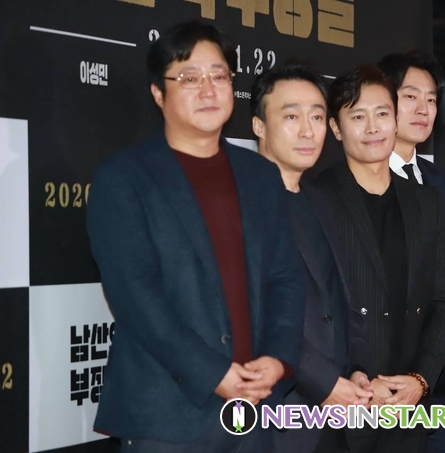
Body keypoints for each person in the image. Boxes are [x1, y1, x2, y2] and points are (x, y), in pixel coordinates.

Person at [86, 21, 304, 453]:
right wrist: (211, 373)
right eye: (189, 78)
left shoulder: (261, 176)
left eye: (219, 76)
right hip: (167, 417)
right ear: (158, 93)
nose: (208, 90)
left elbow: (286, 276)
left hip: (255, 411)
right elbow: (134, 294)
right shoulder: (124, 178)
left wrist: (278, 360)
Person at [314, 63, 445, 453]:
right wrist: (353, 379)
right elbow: (311, 310)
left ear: (395, 121)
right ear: (335, 128)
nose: (373, 127)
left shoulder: (427, 202)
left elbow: (444, 301)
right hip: (342, 407)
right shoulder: (315, 199)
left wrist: (421, 379)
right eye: (357, 116)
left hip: (407, 408)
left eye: (382, 114)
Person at [251, 63, 372, 453]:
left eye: (317, 117)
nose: (308, 130)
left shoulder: (322, 200)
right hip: (277, 415)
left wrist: (357, 369)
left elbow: (343, 297)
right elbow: (254, 312)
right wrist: (324, 382)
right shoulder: (242, 203)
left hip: (337, 414)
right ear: (258, 125)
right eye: (291, 117)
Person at [377, 49, 445, 453]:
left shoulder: (437, 179)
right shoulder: (362, 177)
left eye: (431, 99)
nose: (423, 109)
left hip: (438, 371)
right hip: (383, 371)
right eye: (410, 96)